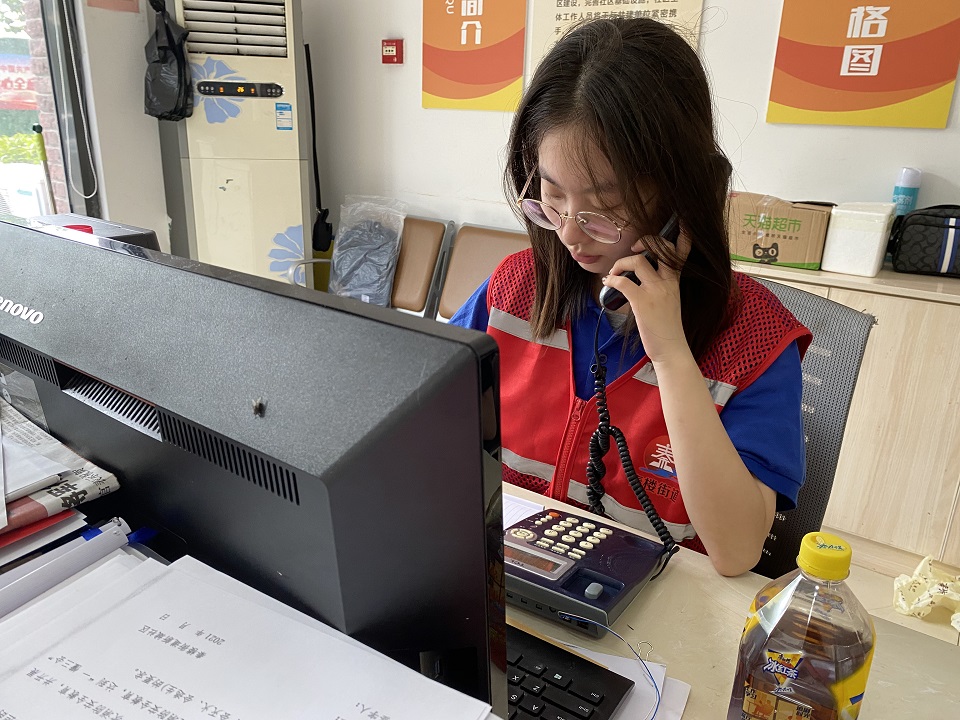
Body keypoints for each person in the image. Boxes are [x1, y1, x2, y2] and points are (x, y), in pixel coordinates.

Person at [449, 17, 812, 577]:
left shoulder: (754, 339)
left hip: (661, 616)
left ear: (681, 199)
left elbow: (738, 550)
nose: (569, 234)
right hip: (508, 587)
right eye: (552, 197)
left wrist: (670, 355)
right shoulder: (515, 289)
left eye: (604, 208)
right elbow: (422, 420)